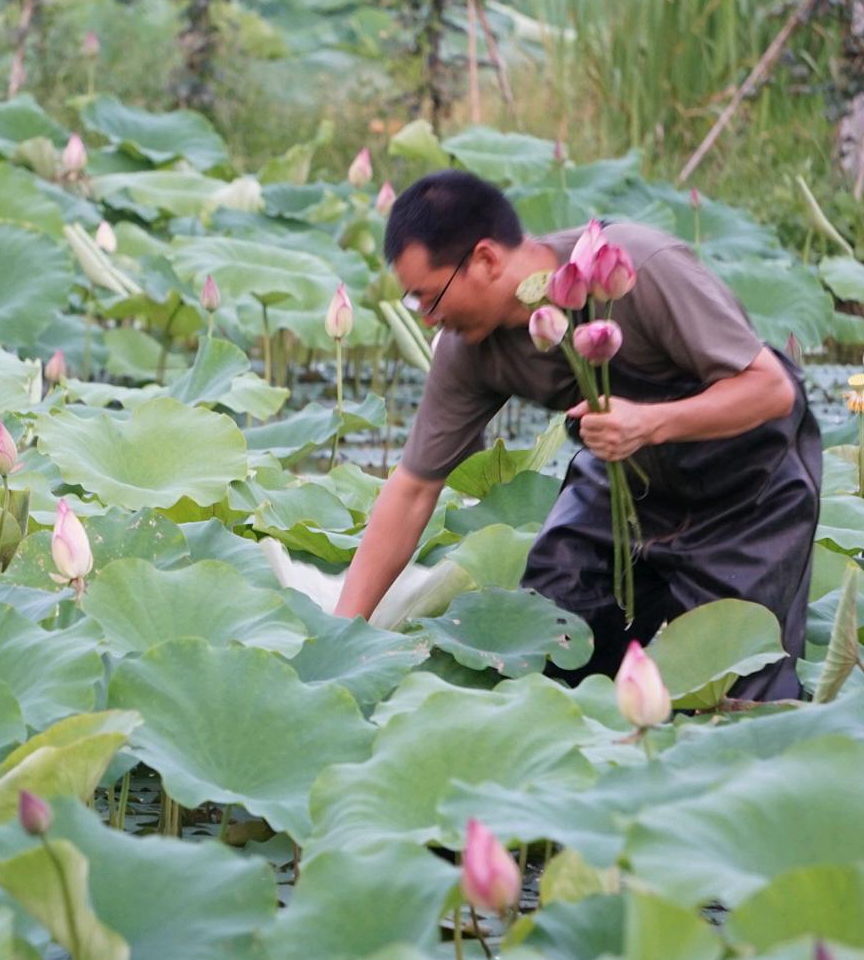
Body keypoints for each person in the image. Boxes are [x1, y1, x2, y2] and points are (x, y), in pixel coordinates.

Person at [335, 170, 822, 700]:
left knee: (736, 689)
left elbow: (770, 390)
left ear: (486, 260)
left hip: (749, 487)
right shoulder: (467, 348)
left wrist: (650, 423)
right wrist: (339, 639)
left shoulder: (637, 268)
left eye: (430, 299)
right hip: (623, 482)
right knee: (549, 636)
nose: (428, 320)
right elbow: (413, 489)